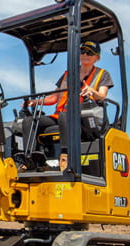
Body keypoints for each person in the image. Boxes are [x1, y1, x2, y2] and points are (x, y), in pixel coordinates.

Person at [19, 41, 114, 170]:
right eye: (82, 51)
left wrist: (92, 91)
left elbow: (102, 96)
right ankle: (30, 159)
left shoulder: (103, 74)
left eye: (90, 53)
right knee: (29, 121)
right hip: (61, 116)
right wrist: (33, 102)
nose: (85, 54)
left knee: (65, 116)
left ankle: (66, 156)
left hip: (86, 117)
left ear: (97, 57)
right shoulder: (67, 75)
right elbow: (54, 98)